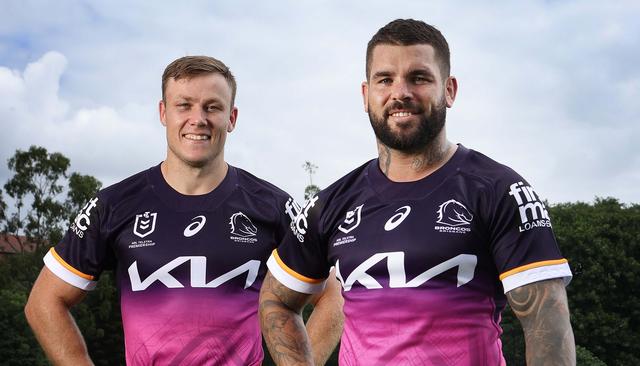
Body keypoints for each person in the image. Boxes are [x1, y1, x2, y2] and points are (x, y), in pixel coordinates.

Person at [259, 19, 576, 365]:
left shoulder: (500, 190)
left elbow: (547, 321)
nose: (400, 93)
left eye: (419, 77)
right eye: (385, 79)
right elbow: (277, 300)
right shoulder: (330, 204)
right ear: (366, 96)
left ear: (449, 90)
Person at [25, 56, 343, 366]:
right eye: (184, 105)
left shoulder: (272, 207)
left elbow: (332, 297)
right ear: (164, 112)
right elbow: (44, 302)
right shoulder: (114, 205)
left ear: (231, 118)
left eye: (212, 107)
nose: (198, 118)